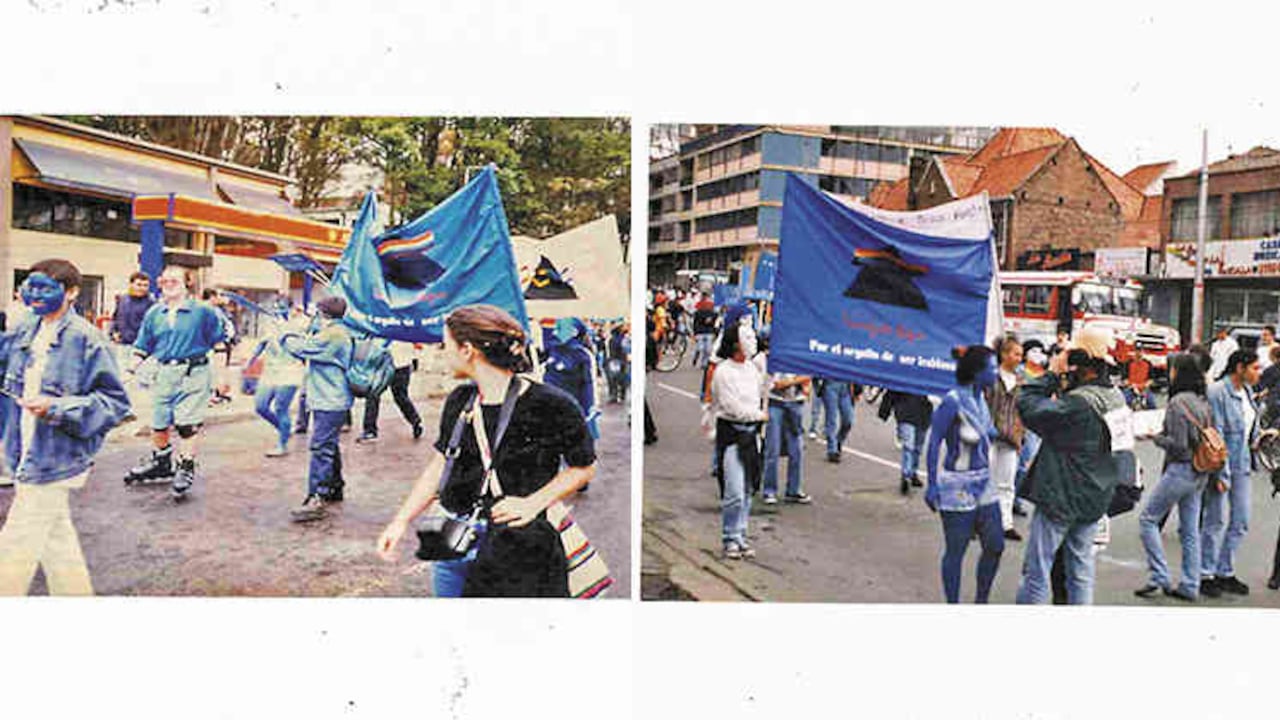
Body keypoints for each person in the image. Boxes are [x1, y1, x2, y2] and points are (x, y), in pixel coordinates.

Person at [376, 305, 596, 597]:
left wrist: (533, 503)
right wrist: (401, 520)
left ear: (467, 350)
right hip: (449, 537)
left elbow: (584, 466)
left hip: (516, 543)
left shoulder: (551, 403)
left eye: (446, 345)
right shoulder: (460, 399)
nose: (443, 353)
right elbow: (442, 464)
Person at [0, 259, 131, 595]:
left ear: (71, 292)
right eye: (31, 286)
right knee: (57, 540)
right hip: (24, 449)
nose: (35, 294)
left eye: (46, 287)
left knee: (16, 546)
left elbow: (115, 404)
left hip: (58, 455)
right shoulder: (24, 329)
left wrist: (57, 407)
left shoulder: (88, 339)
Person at [1014, 325, 1126, 605]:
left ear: (1082, 367)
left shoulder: (1078, 404)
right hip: (1095, 496)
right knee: (1081, 571)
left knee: (1037, 570)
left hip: (1061, 496)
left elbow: (1027, 405)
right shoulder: (1115, 398)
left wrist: (1051, 374)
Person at [125, 265, 227, 499]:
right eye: (164, 281)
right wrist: (130, 370)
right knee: (158, 423)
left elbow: (219, 345)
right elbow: (142, 346)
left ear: (187, 283)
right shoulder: (154, 313)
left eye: (174, 280)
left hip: (194, 372)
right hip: (164, 373)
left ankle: (186, 466)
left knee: (186, 424)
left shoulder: (203, 311)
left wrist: (222, 377)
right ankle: (161, 461)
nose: (168, 284)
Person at [923, 344, 1003, 603]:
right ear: (977, 372)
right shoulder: (952, 401)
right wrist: (932, 484)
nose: (996, 372)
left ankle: (981, 601)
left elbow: (988, 432)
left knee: (995, 545)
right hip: (956, 485)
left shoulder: (982, 399)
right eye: (992, 368)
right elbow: (934, 441)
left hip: (984, 481)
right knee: (956, 550)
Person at [1134, 353, 1212, 602]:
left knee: (1148, 520)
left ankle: (1159, 575)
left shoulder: (1178, 403)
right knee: (1190, 531)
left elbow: (1178, 446)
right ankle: (1191, 584)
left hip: (1181, 469)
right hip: (1201, 471)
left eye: (1173, 369)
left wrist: (1155, 437)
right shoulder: (1202, 402)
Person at [280, 296, 353, 522]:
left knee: (320, 446)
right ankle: (335, 487)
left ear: (323, 314)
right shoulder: (337, 331)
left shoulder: (333, 335)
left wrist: (285, 332)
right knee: (329, 445)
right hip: (331, 399)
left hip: (330, 400)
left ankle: (316, 497)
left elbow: (301, 348)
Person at [1200, 348, 1261, 597]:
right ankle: (1206, 574)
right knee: (1215, 521)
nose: (1258, 373)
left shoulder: (1247, 392)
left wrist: (1260, 438)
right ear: (1240, 368)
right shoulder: (1217, 392)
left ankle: (1225, 570)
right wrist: (1221, 473)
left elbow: (1249, 427)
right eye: (1254, 368)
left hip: (1243, 464)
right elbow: (1217, 434)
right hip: (1221, 464)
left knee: (1240, 520)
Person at [705, 322, 766, 560]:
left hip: (752, 435)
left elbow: (760, 393)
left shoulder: (753, 369)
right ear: (734, 344)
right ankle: (729, 536)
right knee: (734, 491)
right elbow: (731, 407)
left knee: (749, 489)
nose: (751, 341)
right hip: (732, 435)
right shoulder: (723, 372)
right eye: (746, 337)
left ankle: (741, 535)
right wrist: (759, 415)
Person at [248, 311, 305, 457]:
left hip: (289, 372)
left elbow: (302, 351)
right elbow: (261, 344)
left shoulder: (298, 326)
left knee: (281, 408)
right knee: (260, 406)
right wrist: (250, 362)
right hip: (270, 372)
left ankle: (282, 445)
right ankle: (284, 428)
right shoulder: (270, 326)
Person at [987, 336, 1025, 541]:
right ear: (1004, 354)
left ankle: (1006, 524)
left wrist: (1021, 433)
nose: (1019, 358)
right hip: (989, 436)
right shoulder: (990, 377)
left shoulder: (1022, 381)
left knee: (1007, 483)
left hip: (1011, 438)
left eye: (1021, 354)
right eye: (1016, 353)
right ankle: (977, 522)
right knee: (985, 480)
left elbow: (1023, 410)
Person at [761, 364, 811, 505]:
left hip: (796, 403)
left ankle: (793, 489)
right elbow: (776, 384)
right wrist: (798, 380)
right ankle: (769, 490)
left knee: (797, 450)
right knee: (773, 448)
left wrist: (803, 383)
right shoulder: (776, 356)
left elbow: (808, 378)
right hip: (775, 403)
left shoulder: (800, 356)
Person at [358, 340, 423, 443]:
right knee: (376, 395)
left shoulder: (385, 326)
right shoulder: (402, 326)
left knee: (396, 396)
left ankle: (415, 422)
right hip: (393, 364)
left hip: (397, 364)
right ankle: (370, 430)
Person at [1014, 340, 1049, 516]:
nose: (1038, 354)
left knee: (1025, 465)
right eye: (1034, 351)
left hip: (1035, 425)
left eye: (1040, 351)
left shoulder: (1045, 376)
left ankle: (1016, 499)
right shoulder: (1018, 372)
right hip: (1017, 422)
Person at [879, 390, 931, 495]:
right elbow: (892, 389)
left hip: (922, 413)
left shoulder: (926, 374)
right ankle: (906, 475)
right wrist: (885, 410)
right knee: (909, 446)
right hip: (905, 411)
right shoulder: (905, 375)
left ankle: (912, 473)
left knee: (917, 447)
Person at [110, 271, 155, 361]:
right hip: (121, 346)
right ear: (131, 284)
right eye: (139, 285)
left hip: (139, 349)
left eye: (145, 285)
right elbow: (115, 319)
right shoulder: (122, 300)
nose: (142, 288)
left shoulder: (152, 305)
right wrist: (113, 333)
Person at [202, 288, 236, 405]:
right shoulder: (208, 310)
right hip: (215, 344)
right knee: (214, 371)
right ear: (212, 297)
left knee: (218, 370)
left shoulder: (217, 310)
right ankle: (212, 394)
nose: (219, 299)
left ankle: (217, 393)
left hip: (221, 344)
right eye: (218, 296)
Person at [821, 379, 859, 463]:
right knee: (831, 420)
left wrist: (858, 389)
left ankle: (838, 441)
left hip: (846, 386)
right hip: (830, 384)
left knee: (848, 420)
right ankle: (832, 450)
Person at [691, 295, 718, 369]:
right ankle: (695, 356)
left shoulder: (714, 314)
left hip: (709, 332)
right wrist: (695, 333)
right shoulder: (698, 313)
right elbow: (695, 323)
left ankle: (704, 363)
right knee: (700, 348)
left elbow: (715, 323)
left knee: (708, 349)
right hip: (700, 332)